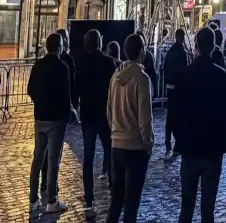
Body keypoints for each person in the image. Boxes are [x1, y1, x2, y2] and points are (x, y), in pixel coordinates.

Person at [172, 27, 226, 223]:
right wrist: (225, 144)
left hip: (189, 148)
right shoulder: (221, 76)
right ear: (213, 47)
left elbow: (175, 113)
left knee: (186, 206)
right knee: (208, 209)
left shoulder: (184, 75)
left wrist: (179, 139)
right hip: (213, 150)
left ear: (196, 46)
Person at [106, 33, 154, 223]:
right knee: (132, 203)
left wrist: (116, 132)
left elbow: (109, 110)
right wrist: (148, 143)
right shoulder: (142, 79)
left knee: (116, 200)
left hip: (116, 145)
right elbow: (145, 118)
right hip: (135, 148)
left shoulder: (115, 76)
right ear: (141, 52)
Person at [27, 32, 71, 214]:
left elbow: (30, 89)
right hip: (56, 119)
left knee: (37, 158)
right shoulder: (62, 67)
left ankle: (33, 198)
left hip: (40, 117)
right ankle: (52, 199)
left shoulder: (38, 64)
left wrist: (40, 102)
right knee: (53, 160)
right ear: (60, 47)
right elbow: (66, 95)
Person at [76, 29, 117, 218]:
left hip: (88, 115)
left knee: (89, 156)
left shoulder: (82, 63)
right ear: (99, 43)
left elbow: (76, 90)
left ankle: (89, 197)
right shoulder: (108, 62)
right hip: (104, 113)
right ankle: (114, 190)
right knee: (110, 151)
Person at [163, 28, 191, 159]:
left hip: (170, 87)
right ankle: (177, 145)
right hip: (179, 88)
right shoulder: (182, 52)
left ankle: (168, 143)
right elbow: (184, 70)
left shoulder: (170, 52)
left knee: (170, 116)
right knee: (178, 117)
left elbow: (165, 67)